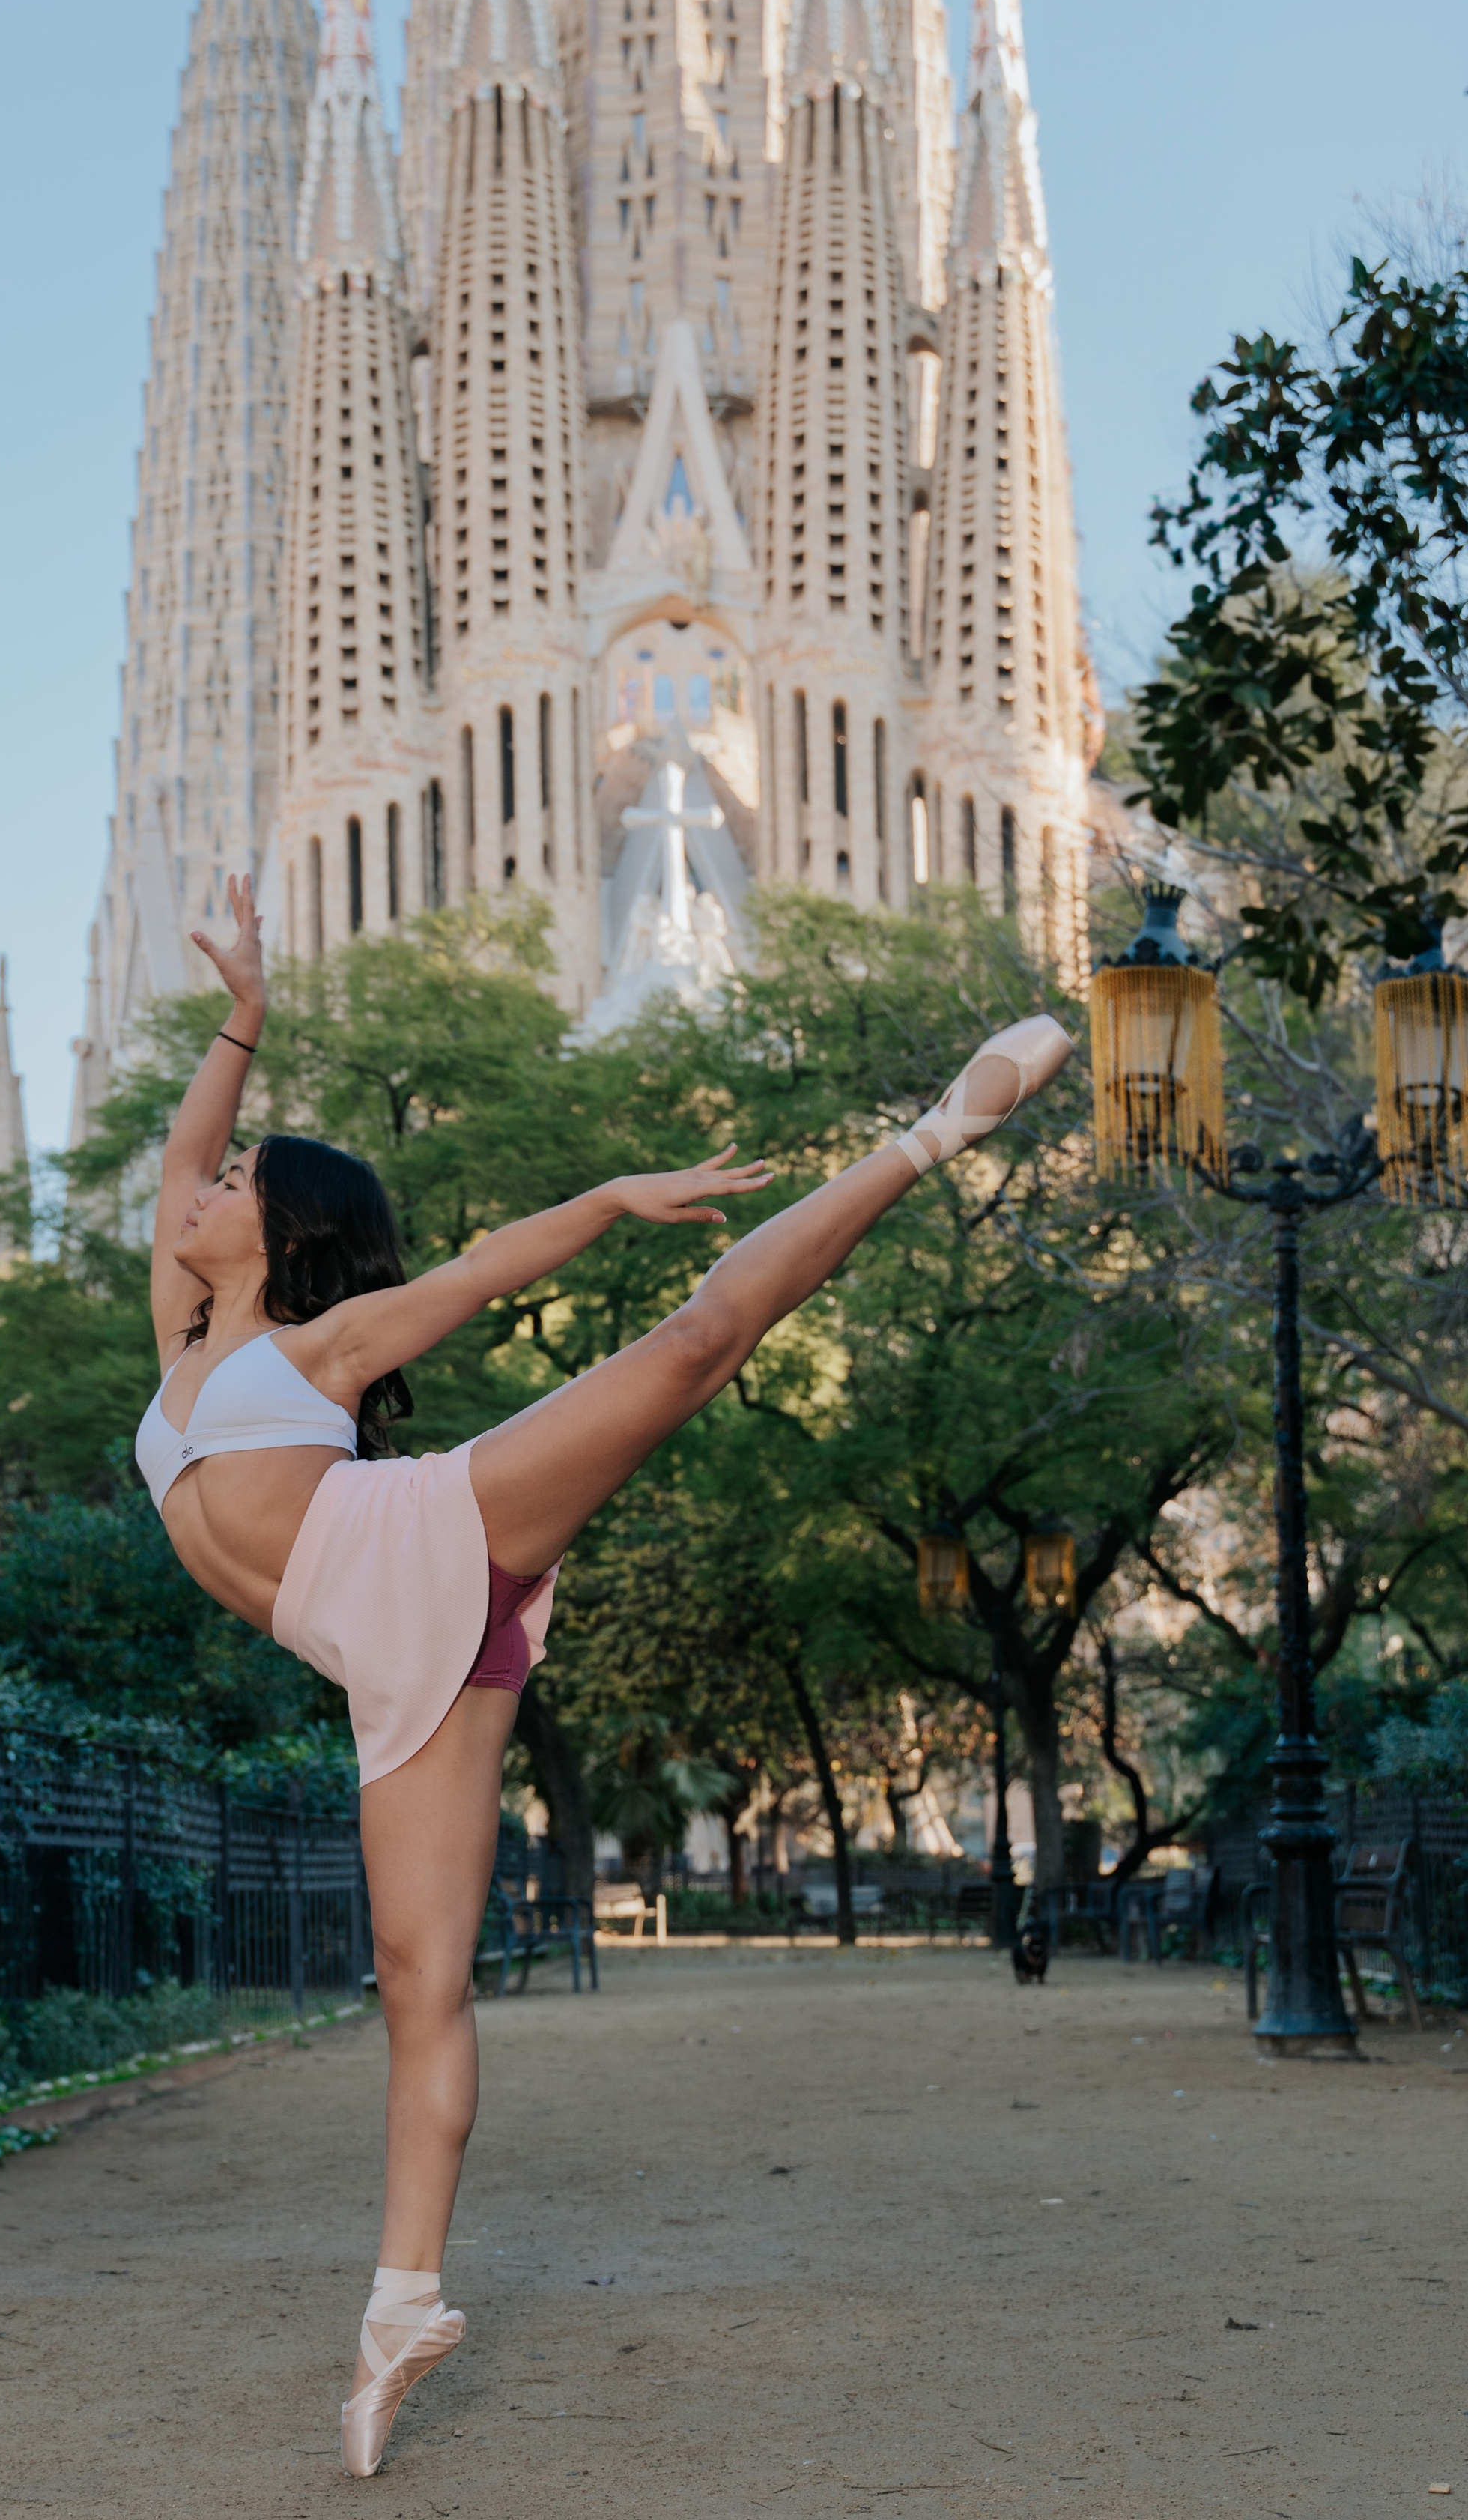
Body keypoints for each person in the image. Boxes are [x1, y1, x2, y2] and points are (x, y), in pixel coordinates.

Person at [136, 876, 1070, 2477]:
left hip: (434, 1538)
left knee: (695, 1344)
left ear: (280, 1238)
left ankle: (929, 1136)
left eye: (235, 1183)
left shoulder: (316, 1349)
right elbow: (174, 1162)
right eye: (215, 1175)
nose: (200, 1185)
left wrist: (614, 1196)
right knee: (417, 1980)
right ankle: (401, 2311)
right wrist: (244, 1014)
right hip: (393, 1659)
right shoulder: (182, 1339)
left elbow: (488, 1267)